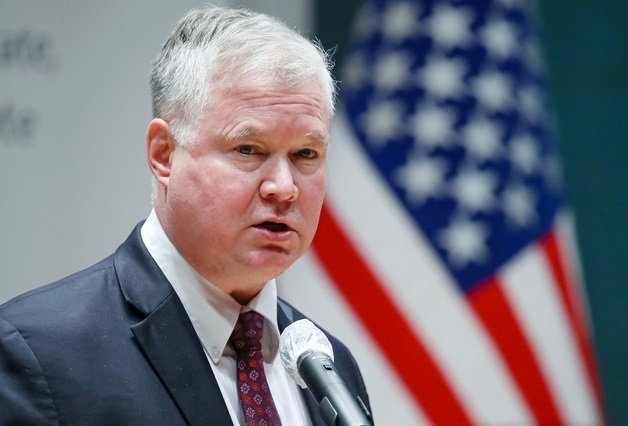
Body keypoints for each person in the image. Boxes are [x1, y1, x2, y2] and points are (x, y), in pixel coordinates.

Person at [0, 5, 372, 426]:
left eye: (306, 153)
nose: (284, 188)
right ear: (163, 154)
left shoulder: (330, 368)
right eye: (248, 150)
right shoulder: (37, 354)